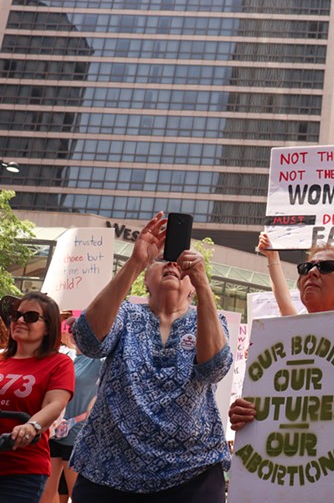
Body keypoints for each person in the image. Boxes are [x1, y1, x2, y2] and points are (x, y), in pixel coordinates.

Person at [69, 212, 232, 502]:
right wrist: (135, 262)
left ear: (192, 288)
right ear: (146, 280)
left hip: (192, 471)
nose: (171, 264)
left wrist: (205, 284)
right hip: (109, 470)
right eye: (161, 262)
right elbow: (89, 341)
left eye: (180, 264)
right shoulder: (126, 315)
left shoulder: (211, 319)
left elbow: (213, 368)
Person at [228, 235, 334, 493]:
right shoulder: (275, 349)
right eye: (306, 268)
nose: (313, 272)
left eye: (326, 267)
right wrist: (247, 416)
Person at [0, 292, 74, 503]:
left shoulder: (59, 363)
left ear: (49, 327)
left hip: (21, 470)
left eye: (31, 316)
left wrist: (31, 426)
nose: (20, 320)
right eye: (16, 315)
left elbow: (55, 403)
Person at [40, 317, 102, 503]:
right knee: (46, 492)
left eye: (81, 330)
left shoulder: (100, 361)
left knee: (77, 492)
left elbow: (104, 393)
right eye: (72, 330)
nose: (75, 334)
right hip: (54, 432)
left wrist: (81, 418)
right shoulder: (65, 357)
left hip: (77, 434)